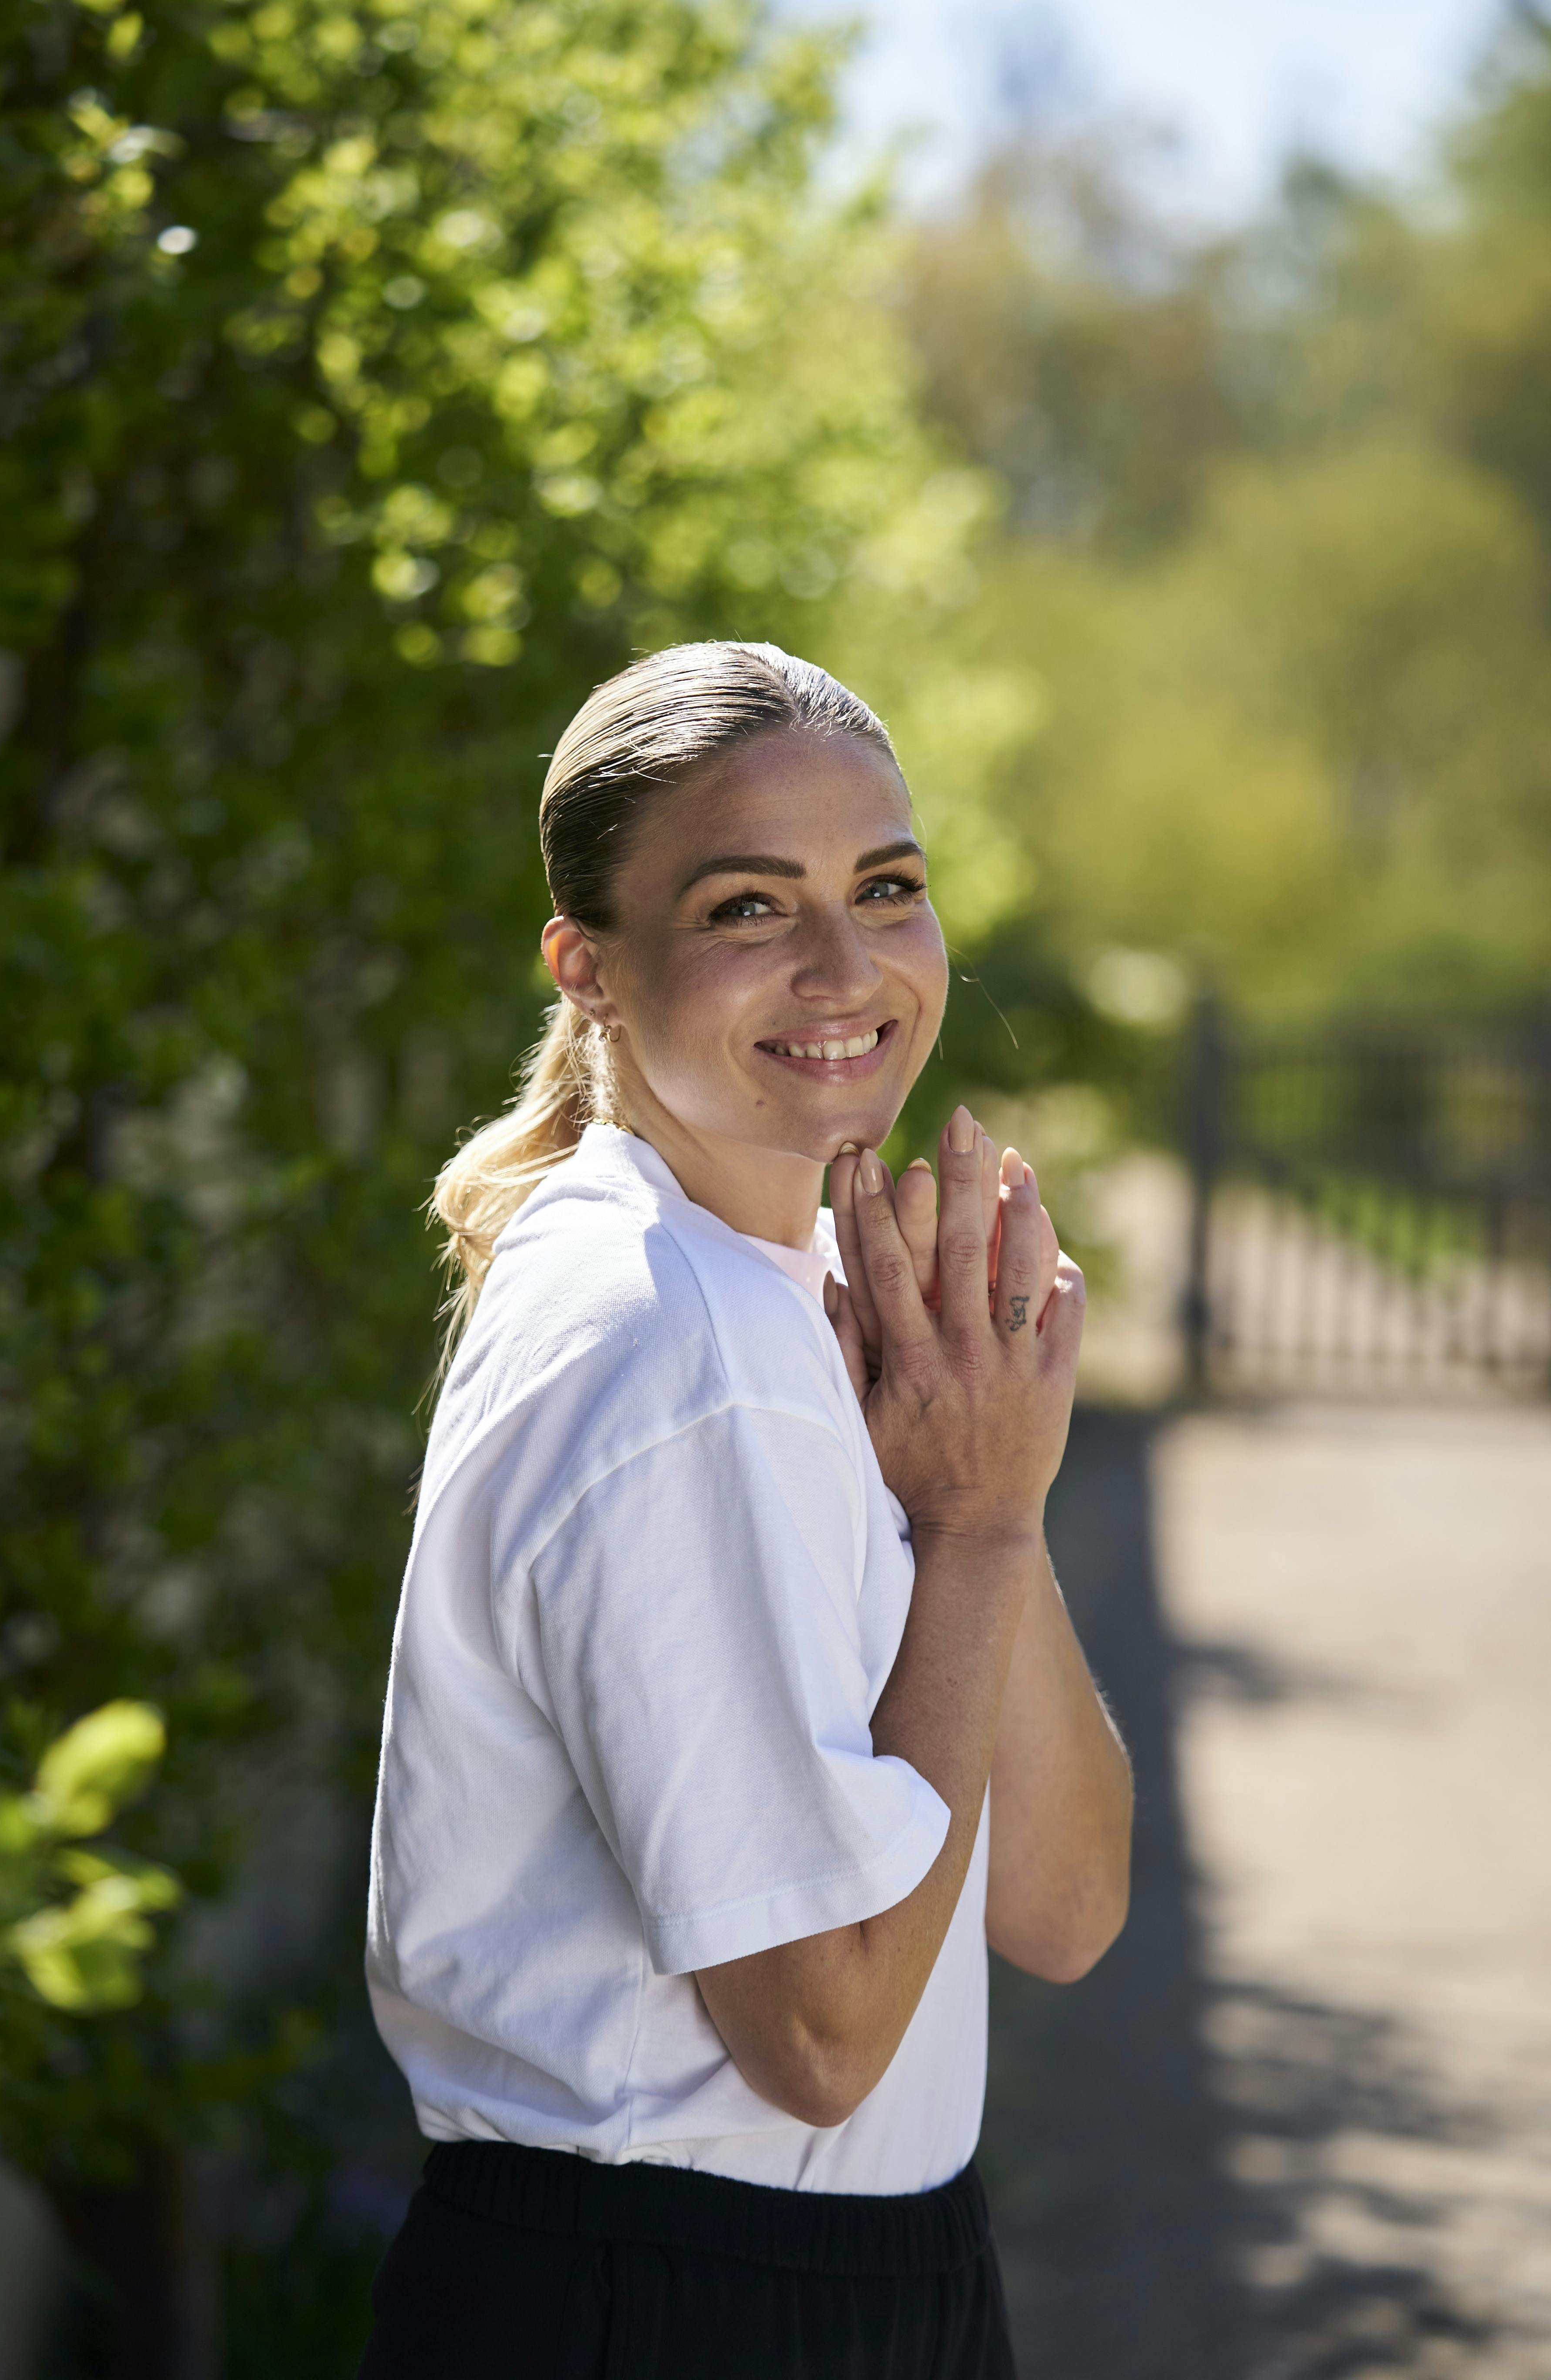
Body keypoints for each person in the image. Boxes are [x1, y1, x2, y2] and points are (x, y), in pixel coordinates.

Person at [359, 641, 1134, 2380]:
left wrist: (976, 1489)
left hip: (866, 2271)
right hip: (666, 2304)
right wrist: (983, 1530)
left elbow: (1065, 1907)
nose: (846, 967)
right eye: (745, 908)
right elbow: (824, 2033)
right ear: (591, 971)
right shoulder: (657, 1347)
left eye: (886, 887)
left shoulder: (781, 1292)